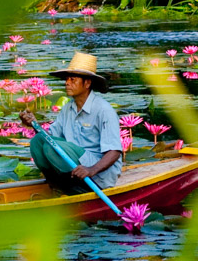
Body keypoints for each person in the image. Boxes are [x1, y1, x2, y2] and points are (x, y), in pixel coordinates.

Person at [21, 51, 123, 195]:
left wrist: (91, 170)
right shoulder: (68, 108)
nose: (67, 83)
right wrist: (33, 124)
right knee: (37, 141)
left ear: (87, 83)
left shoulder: (104, 110)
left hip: (98, 175)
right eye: (67, 79)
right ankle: (59, 185)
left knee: (51, 148)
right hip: (73, 167)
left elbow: (114, 152)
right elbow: (50, 138)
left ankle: (76, 187)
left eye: (73, 79)